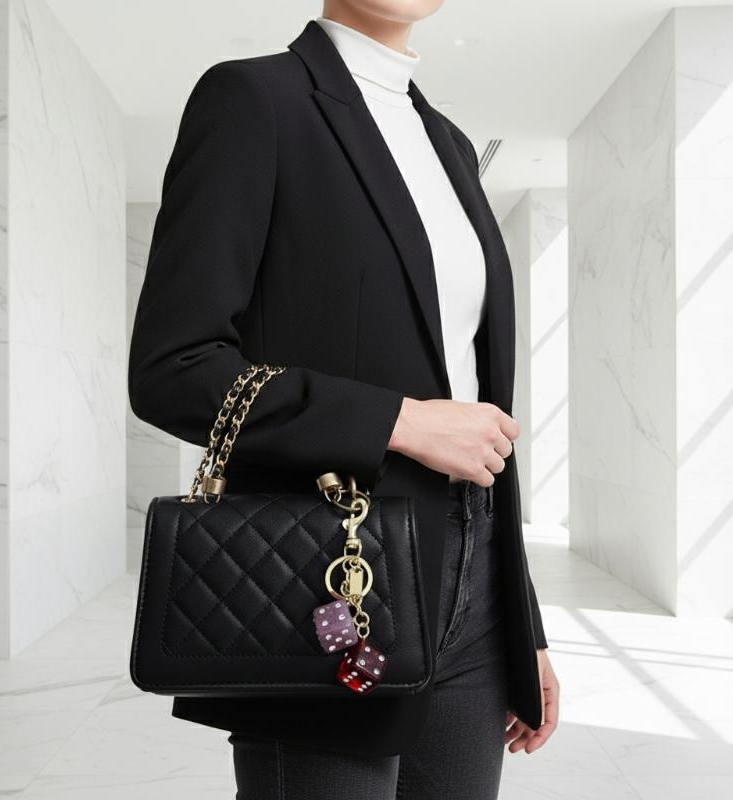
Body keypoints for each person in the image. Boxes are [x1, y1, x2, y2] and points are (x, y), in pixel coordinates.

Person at [127, 1, 560, 797]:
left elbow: (476, 401)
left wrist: (521, 625)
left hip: (476, 585)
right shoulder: (254, 100)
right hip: (331, 577)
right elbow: (173, 368)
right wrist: (398, 421)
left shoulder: (452, 145)